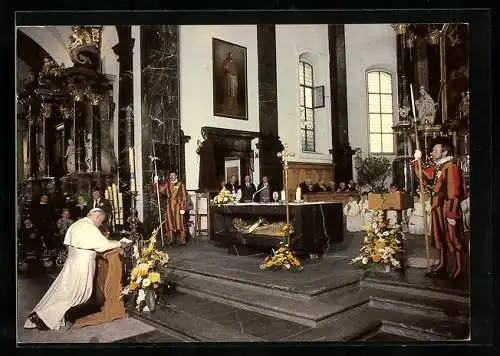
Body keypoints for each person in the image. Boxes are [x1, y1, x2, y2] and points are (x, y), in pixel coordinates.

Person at [24, 208, 123, 330]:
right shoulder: (89, 227)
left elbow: (70, 243)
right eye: (101, 221)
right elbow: (104, 245)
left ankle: (42, 315)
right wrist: (119, 243)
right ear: (97, 217)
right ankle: (43, 317)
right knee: (77, 294)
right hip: (82, 263)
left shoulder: (77, 224)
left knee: (64, 290)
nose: (100, 224)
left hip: (72, 262)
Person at [413, 137, 465, 280]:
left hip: (447, 208)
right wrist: (417, 160)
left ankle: (459, 268)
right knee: (440, 237)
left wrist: (452, 214)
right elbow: (425, 176)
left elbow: (454, 192)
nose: (433, 152)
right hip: (437, 207)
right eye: (433, 150)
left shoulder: (451, 167)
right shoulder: (439, 166)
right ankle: (442, 265)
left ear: (445, 151)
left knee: (452, 238)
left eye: (436, 149)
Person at [158, 171, 188, 245]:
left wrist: (183, 207)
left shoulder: (181, 185)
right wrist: (157, 182)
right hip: (169, 206)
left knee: (180, 222)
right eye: (170, 175)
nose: (171, 177)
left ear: (176, 176)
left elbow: (184, 196)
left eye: (173, 175)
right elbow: (160, 190)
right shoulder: (167, 184)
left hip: (178, 206)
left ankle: (183, 239)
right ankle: (171, 239)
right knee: (170, 223)